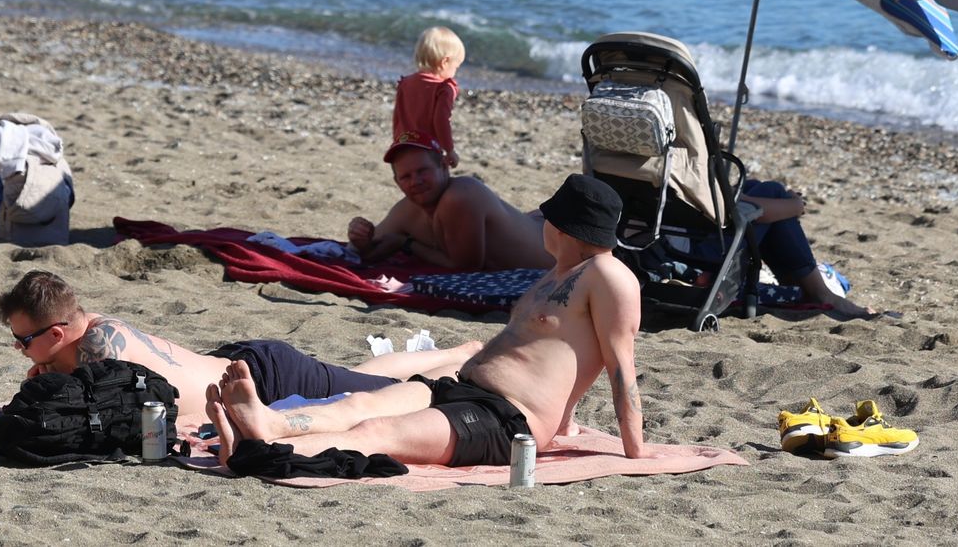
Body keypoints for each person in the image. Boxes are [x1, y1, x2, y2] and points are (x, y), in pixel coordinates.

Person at [211, 174, 667, 466]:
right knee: (358, 405)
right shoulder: (558, 274)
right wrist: (567, 422)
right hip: (462, 388)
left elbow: (620, 365)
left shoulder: (610, 276)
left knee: (376, 433)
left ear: (564, 228)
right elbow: (560, 356)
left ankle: (265, 447)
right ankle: (269, 425)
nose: (541, 225)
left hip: (505, 420)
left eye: (548, 218)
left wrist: (635, 450)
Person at [0, 270, 479, 431]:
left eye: (24, 340)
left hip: (269, 380)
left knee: (400, 393)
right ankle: (460, 348)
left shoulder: (101, 343)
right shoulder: (77, 344)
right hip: (240, 366)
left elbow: (113, 412)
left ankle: (469, 361)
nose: (19, 349)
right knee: (354, 374)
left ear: (57, 333)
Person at [348, 136, 554, 271]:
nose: (415, 182)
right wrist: (360, 237)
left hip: (555, 247)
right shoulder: (408, 210)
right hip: (532, 225)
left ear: (444, 167)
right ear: (396, 182)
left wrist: (408, 244)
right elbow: (365, 251)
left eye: (423, 171)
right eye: (406, 176)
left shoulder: (459, 196)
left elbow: (466, 268)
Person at [740, 180, 876, 318]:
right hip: (719, 258)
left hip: (718, 247)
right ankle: (820, 294)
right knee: (773, 192)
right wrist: (794, 205)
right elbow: (732, 208)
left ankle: (800, 287)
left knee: (750, 186)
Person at [392, 26, 464, 168]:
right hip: (428, 149)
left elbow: (398, 116)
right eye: (456, 66)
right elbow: (441, 120)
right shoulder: (444, 88)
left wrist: (396, 142)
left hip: (405, 145)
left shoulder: (405, 83)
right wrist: (449, 150)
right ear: (445, 62)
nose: (456, 71)